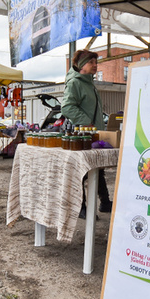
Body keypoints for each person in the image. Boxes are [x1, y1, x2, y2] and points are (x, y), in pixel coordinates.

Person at [61, 49, 113, 216]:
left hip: (93, 132)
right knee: (82, 170)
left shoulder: (89, 83)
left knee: (97, 166)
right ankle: (80, 207)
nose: (95, 65)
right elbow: (67, 107)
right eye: (91, 62)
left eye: (96, 62)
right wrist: (86, 121)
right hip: (82, 133)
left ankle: (105, 202)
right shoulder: (75, 83)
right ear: (82, 65)